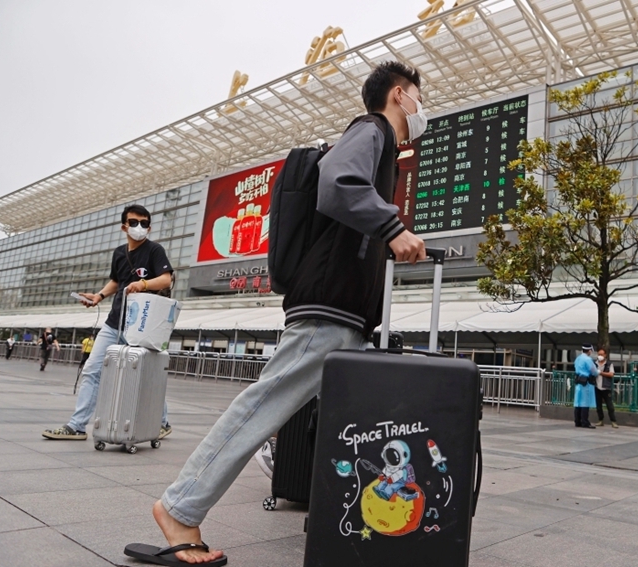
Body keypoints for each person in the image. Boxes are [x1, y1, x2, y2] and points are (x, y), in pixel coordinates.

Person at [130, 61, 427, 567]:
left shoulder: (383, 147)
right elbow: (337, 182)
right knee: (262, 407)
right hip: (328, 308)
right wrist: (392, 228)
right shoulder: (371, 130)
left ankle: (363, 523)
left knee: (348, 427)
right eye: (421, 95)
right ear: (399, 95)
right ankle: (180, 507)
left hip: (343, 313)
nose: (425, 106)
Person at [42, 204, 174, 441]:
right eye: (134, 222)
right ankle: (77, 426)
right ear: (124, 226)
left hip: (141, 326)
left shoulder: (155, 250)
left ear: (149, 227)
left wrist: (142, 284)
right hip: (114, 323)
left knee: (146, 375)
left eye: (144, 223)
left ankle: (162, 422)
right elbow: (117, 281)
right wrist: (99, 296)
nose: (139, 227)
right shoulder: (119, 253)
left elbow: (166, 279)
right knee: (92, 371)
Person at [573, 344, 598, 428]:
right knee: (585, 403)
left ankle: (577, 421)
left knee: (578, 402)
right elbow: (593, 371)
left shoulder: (578, 358)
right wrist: (598, 372)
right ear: (589, 350)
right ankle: (585, 422)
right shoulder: (588, 359)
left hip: (578, 381)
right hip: (586, 382)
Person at [595, 348, 618, 428]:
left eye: (601, 354)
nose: (600, 356)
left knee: (610, 406)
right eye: (599, 354)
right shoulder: (595, 363)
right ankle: (600, 420)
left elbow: (611, 374)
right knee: (598, 406)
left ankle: (613, 421)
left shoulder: (609, 364)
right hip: (597, 386)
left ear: (605, 355)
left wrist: (601, 373)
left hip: (606, 387)